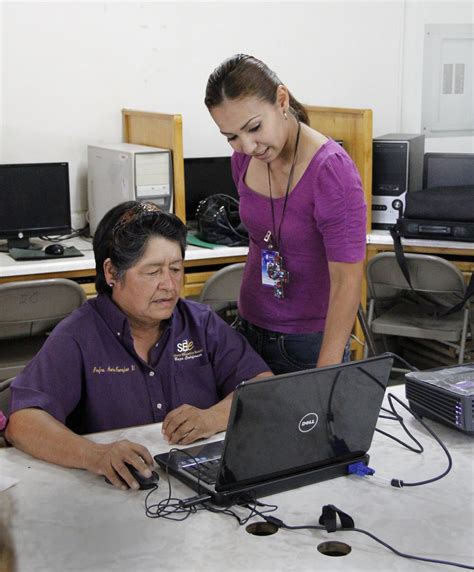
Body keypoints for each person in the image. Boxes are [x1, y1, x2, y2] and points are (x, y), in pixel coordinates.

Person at [5, 201, 271, 490]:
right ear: (111, 273)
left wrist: (213, 417)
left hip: (198, 484)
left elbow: (263, 387)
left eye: (176, 269)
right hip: (116, 496)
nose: (169, 285)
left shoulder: (201, 324)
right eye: (153, 272)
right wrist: (95, 455)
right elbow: (24, 422)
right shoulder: (78, 335)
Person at [205, 54, 367, 375]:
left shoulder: (330, 171)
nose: (248, 146)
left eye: (254, 128)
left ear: (281, 100)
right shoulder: (244, 160)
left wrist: (326, 372)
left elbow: (347, 281)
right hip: (249, 328)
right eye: (232, 137)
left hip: (309, 343)